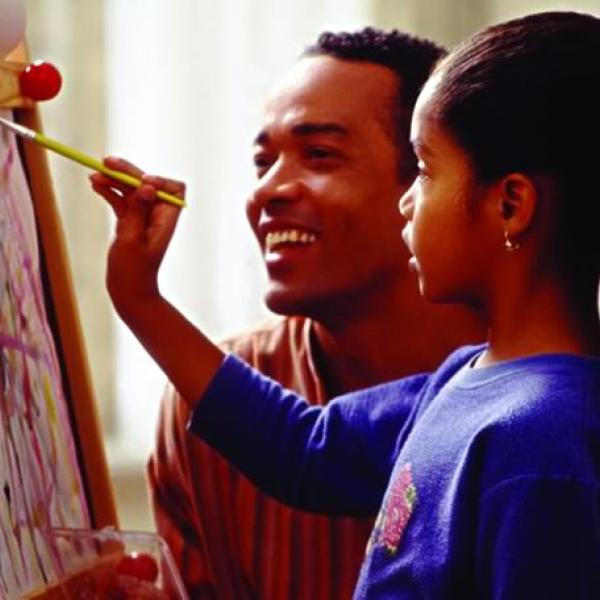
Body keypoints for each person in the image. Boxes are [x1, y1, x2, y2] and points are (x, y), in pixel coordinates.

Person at [92, 10, 600, 598]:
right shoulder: (458, 382)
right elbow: (300, 448)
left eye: (426, 172)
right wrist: (139, 300)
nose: (407, 204)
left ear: (510, 205)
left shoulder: (548, 448)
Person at [146, 28, 485, 599]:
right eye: (263, 162)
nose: (269, 191)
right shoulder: (204, 399)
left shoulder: (532, 387)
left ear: (428, 184)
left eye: (319, 154)